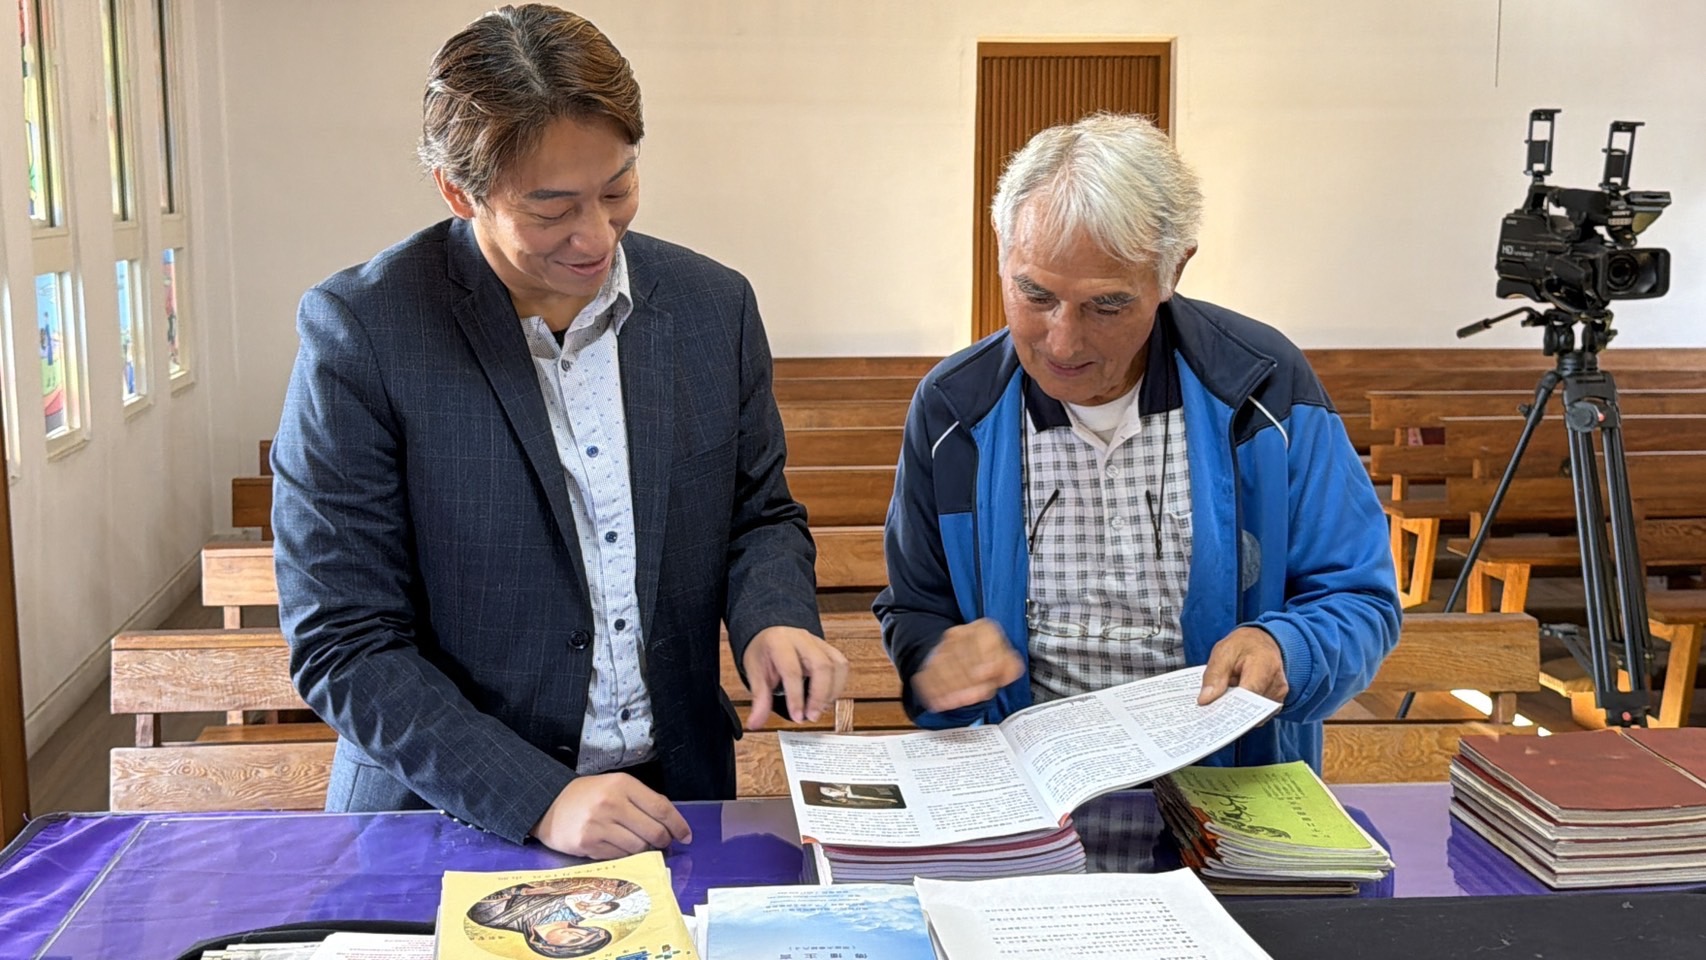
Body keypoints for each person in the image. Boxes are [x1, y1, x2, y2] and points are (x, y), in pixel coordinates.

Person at [272, 3, 848, 859]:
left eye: (617, 189)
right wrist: (539, 797)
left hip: (671, 795)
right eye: (551, 208)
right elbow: (344, 640)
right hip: (446, 809)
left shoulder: (712, 306)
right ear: (459, 191)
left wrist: (774, 617)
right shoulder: (366, 331)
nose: (597, 235)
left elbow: (757, 514)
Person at [874, 113, 1399, 771]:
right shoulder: (954, 409)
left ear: (1173, 270)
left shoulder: (1263, 387)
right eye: (1034, 294)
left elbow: (1357, 600)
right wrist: (934, 662)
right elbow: (918, 606)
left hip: (1223, 779)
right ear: (1002, 251)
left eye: (1108, 306)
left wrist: (1285, 647)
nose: (1063, 341)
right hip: (1031, 786)